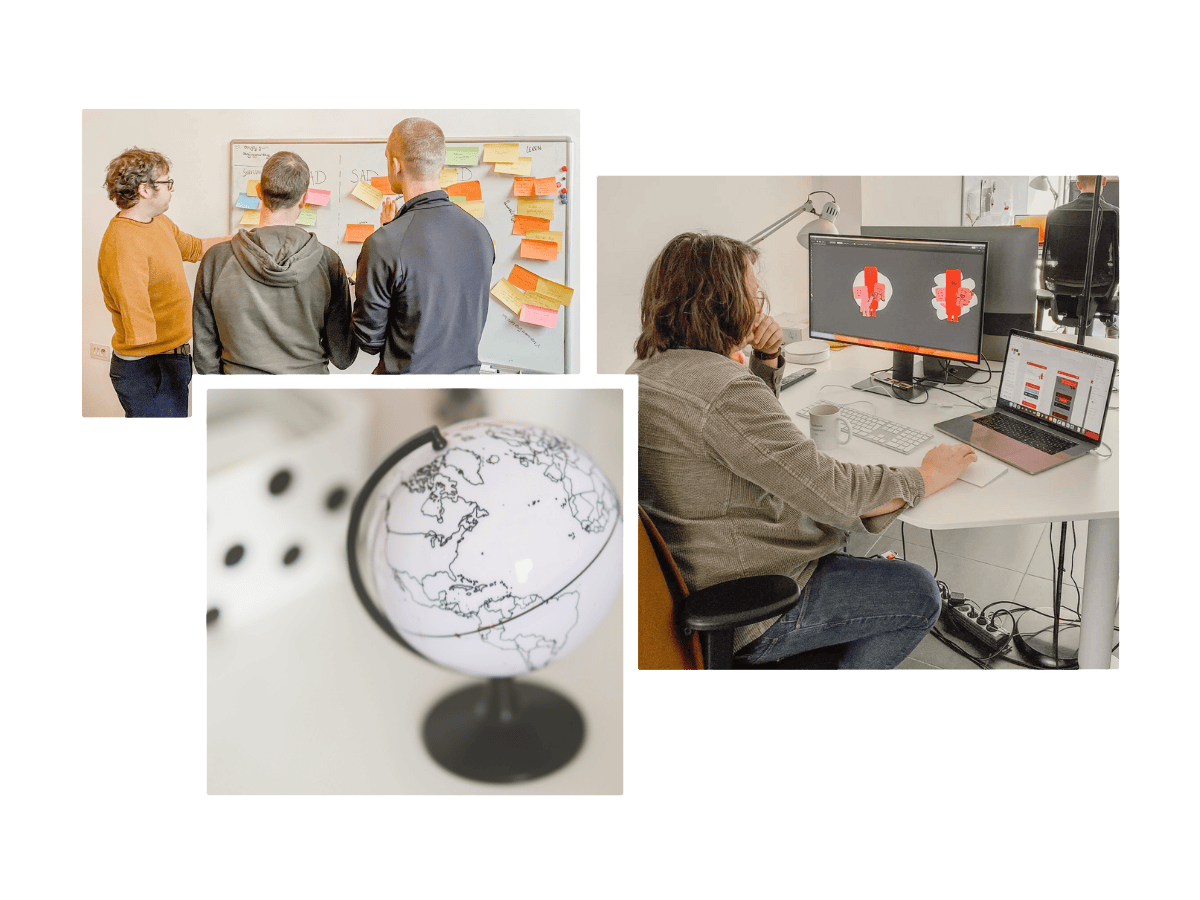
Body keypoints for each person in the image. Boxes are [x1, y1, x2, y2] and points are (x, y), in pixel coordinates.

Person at [628, 233, 977, 669]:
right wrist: (925, 475)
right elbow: (832, 492)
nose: (760, 306)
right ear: (721, 302)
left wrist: (766, 359)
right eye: (754, 294)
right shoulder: (724, 390)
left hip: (697, 571)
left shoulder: (646, 369)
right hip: (752, 598)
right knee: (919, 593)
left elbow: (748, 443)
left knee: (842, 536)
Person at [192, 151, 357, 375]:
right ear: (305, 199)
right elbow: (343, 356)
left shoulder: (216, 259)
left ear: (258, 191)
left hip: (239, 397)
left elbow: (204, 355)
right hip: (310, 397)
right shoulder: (328, 263)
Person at [352, 117, 495, 374]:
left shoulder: (384, 244)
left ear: (396, 165)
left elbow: (368, 340)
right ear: (440, 165)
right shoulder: (480, 234)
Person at [98, 148, 231, 416]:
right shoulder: (123, 243)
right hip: (149, 367)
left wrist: (246, 237)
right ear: (145, 190)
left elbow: (196, 248)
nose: (171, 189)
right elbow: (138, 328)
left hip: (172, 357)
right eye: (166, 183)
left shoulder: (157, 222)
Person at [1050, 175, 1120, 338]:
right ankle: (1110, 325)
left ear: (1079, 184)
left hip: (1062, 283)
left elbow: (1052, 254)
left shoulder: (1057, 213)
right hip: (1100, 284)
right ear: (1103, 182)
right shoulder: (1115, 214)